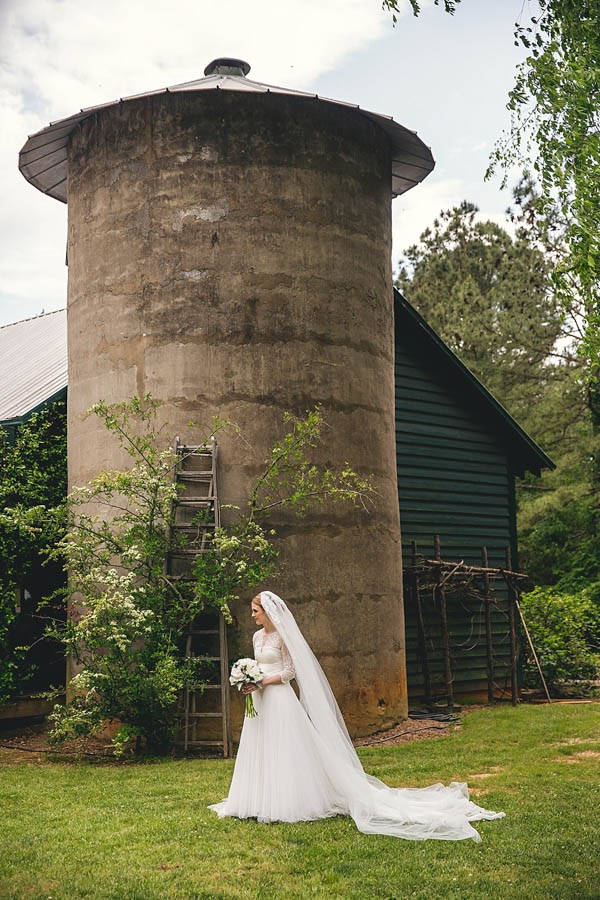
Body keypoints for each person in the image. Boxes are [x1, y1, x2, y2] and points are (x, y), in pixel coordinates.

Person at [209, 590, 505, 841]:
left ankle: (285, 802)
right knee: (260, 747)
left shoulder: (282, 637)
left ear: (269, 612)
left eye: (255, 611)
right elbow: (259, 665)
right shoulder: (257, 637)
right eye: (252, 611)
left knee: (285, 749)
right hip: (259, 701)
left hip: (279, 698)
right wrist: (249, 680)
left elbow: (288, 672)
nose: (252, 615)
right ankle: (256, 799)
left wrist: (261, 681)